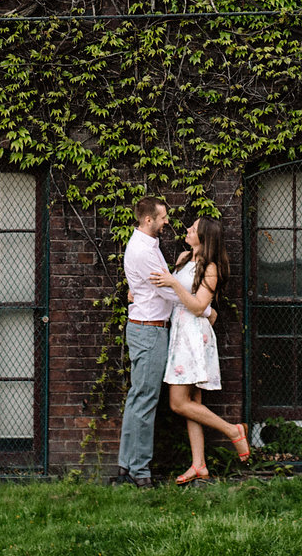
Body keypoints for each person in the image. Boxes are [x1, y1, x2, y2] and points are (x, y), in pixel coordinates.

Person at [152, 215, 251, 483]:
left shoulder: (210, 268)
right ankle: (199, 464)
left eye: (193, 228)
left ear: (204, 237)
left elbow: (197, 306)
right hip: (180, 333)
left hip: (194, 337)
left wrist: (173, 284)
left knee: (178, 403)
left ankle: (232, 431)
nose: (187, 229)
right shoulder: (185, 258)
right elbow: (179, 299)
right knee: (192, 403)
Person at [115, 194, 174, 486]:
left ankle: (127, 467)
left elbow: (159, 282)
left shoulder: (147, 245)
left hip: (144, 327)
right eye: (162, 217)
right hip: (150, 330)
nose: (167, 221)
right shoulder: (144, 251)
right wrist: (201, 303)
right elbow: (167, 291)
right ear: (148, 219)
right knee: (146, 399)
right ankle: (139, 472)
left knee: (138, 397)